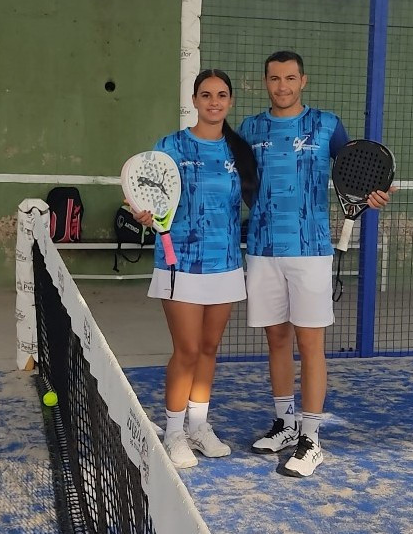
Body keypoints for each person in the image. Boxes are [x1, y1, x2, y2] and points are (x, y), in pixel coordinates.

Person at [238, 51, 395, 477]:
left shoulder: (326, 125)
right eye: (275, 78)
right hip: (263, 249)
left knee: (310, 345)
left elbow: (358, 171)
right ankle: (285, 425)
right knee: (276, 340)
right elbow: (239, 180)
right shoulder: (249, 128)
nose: (282, 86)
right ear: (265, 81)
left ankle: (311, 439)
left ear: (303, 81)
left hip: (310, 250)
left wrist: (374, 194)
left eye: (290, 78)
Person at [134, 69, 257, 469]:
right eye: (206, 95)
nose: (214, 102)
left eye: (221, 95)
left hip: (225, 263)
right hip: (180, 263)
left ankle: (199, 427)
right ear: (194, 100)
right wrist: (143, 214)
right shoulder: (170, 146)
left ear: (230, 101)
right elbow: (145, 196)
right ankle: (173, 433)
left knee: (208, 348)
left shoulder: (239, 151)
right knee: (186, 350)